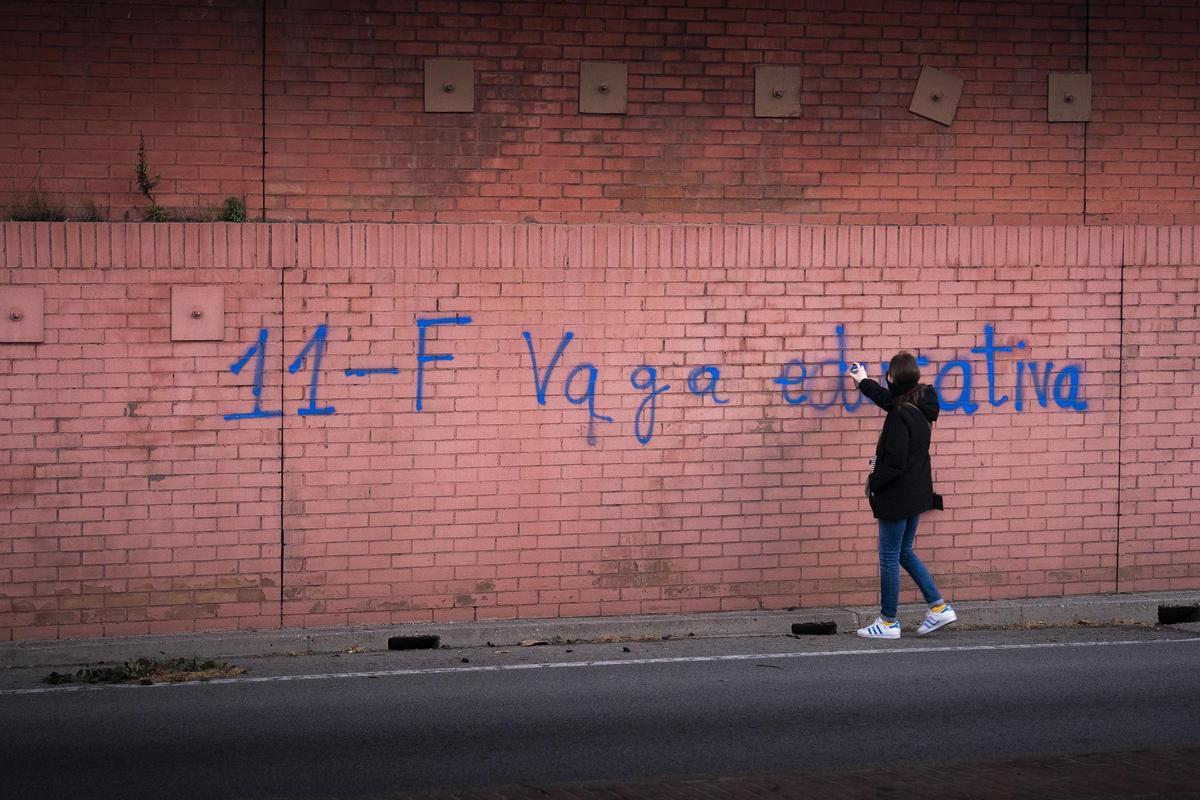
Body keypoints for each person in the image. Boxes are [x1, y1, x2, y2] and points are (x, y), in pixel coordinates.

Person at [847, 353, 956, 639]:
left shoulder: (900, 414)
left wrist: (874, 478)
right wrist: (863, 382)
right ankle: (938, 608)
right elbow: (889, 401)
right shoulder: (918, 405)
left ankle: (888, 622)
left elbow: (894, 462)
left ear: (893, 378)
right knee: (904, 552)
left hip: (898, 497)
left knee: (889, 556)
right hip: (915, 494)